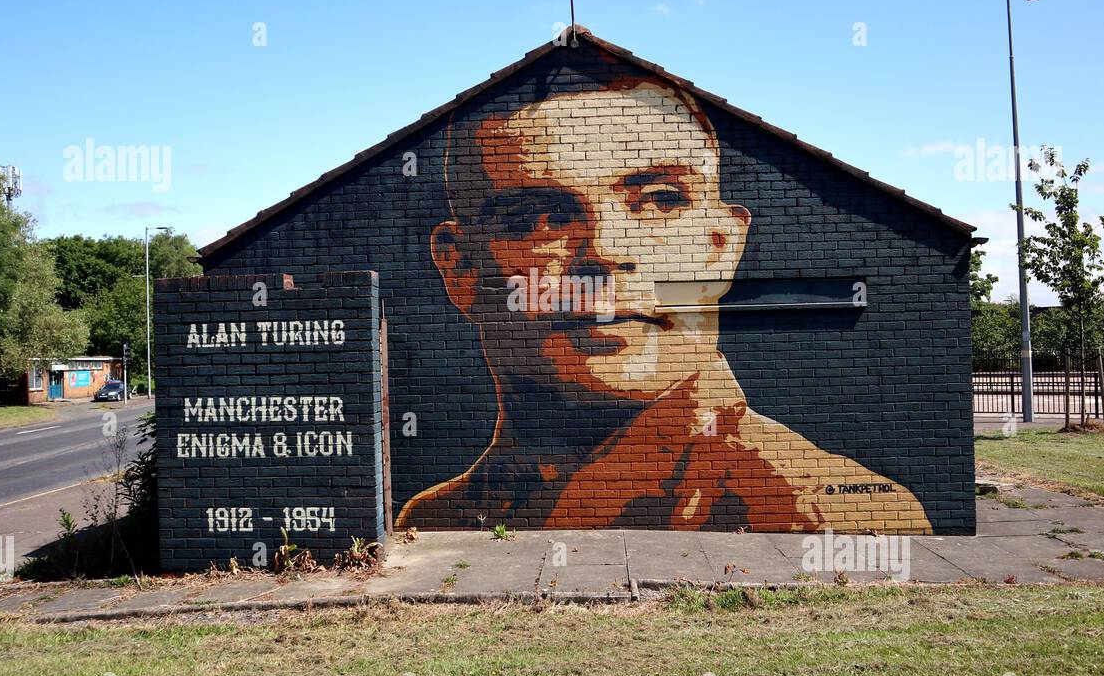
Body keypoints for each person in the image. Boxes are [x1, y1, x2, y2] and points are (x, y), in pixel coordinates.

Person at [397, 71, 931, 533]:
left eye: (660, 201)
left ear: (721, 247)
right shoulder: (438, 516)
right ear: (460, 267)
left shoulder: (812, 510)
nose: (606, 250)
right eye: (540, 217)